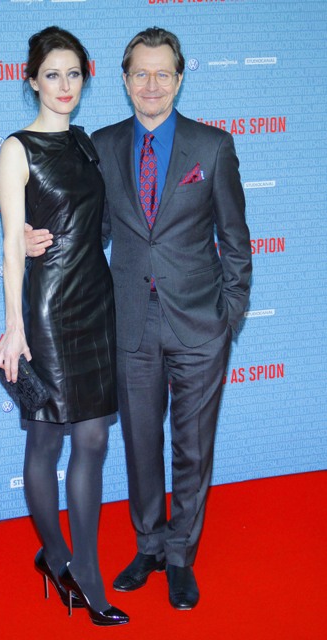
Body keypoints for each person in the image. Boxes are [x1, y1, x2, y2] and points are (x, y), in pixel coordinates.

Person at [25, 27, 252, 611]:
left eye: (163, 73)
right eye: (140, 73)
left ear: (179, 78)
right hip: (126, 324)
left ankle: (180, 556)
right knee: (140, 446)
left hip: (199, 325)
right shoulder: (99, 146)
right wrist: (33, 239)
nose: (152, 85)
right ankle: (148, 545)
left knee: (192, 448)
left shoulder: (213, 146)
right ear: (124, 81)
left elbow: (235, 239)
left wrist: (228, 318)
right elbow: (89, 229)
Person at [0, 26, 129, 627]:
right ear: (32, 81)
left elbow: (97, 224)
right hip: (48, 308)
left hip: (97, 299)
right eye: (52, 74)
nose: (65, 85)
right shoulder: (16, 148)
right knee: (47, 439)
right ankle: (58, 557)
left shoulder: (85, 143)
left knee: (94, 439)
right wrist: (13, 326)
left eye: (74, 73)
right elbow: (10, 245)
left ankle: (87, 567)